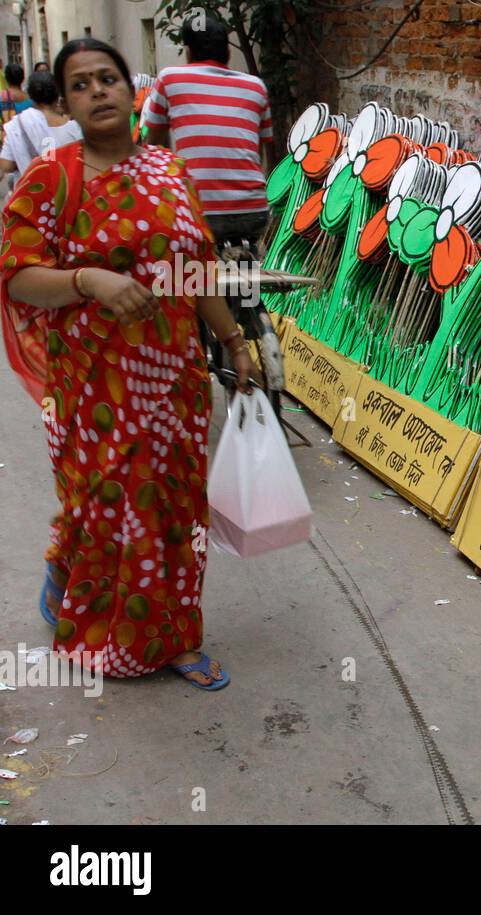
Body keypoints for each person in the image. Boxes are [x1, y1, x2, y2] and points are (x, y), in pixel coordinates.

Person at [0, 38, 253, 689]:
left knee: (172, 510)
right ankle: (105, 616)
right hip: (94, 385)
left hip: (175, 380)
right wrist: (88, 281)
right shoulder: (53, 177)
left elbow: (195, 266)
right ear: (64, 103)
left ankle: (171, 636)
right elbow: (18, 277)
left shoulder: (169, 168)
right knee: (107, 503)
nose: (99, 90)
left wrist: (231, 339)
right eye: (81, 84)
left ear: (130, 88)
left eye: (108, 77)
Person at [143, 12, 274, 249]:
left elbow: (151, 146)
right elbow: (265, 152)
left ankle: (198, 284)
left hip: (198, 211)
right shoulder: (256, 86)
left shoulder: (170, 78)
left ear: (189, 51)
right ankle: (244, 283)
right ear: (228, 52)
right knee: (243, 281)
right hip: (252, 211)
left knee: (194, 279)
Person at [0, 71, 82, 178]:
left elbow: (6, 166)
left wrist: (24, 158)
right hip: (66, 191)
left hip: (31, 192)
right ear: (57, 95)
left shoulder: (18, 125)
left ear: (30, 96)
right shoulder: (75, 128)